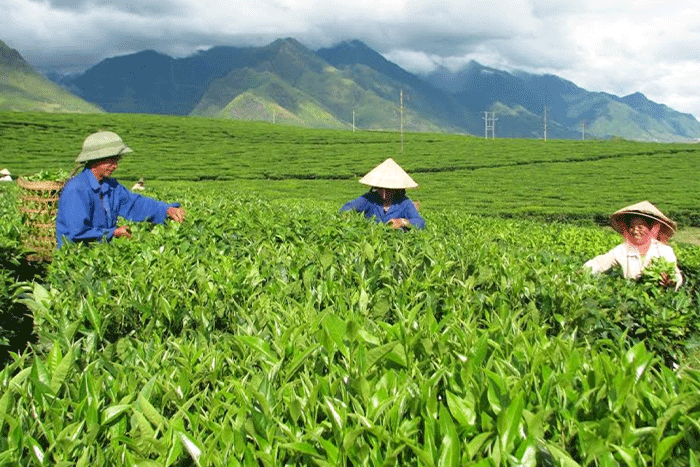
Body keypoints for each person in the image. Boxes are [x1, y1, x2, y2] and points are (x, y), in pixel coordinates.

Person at [56, 131, 186, 248]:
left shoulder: (111, 187)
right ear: (95, 160)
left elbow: (135, 204)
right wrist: (113, 232)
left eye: (117, 160)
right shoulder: (77, 189)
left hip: (100, 253)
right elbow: (78, 232)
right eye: (111, 161)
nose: (115, 166)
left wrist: (166, 210)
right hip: (75, 259)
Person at [584, 201, 682, 289]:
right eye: (631, 227)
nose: (635, 231)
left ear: (650, 229)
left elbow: (675, 273)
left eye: (640, 227)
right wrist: (584, 271)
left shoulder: (663, 250)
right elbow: (600, 262)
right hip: (633, 296)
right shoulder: (623, 249)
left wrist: (672, 281)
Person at [340, 158, 425, 229]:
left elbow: (420, 222)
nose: (384, 192)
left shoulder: (404, 202)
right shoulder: (369, 199)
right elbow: (347, 207)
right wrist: (347, 216)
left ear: (396, 189)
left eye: (388, 189)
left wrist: (402, 222)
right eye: (381, 188)